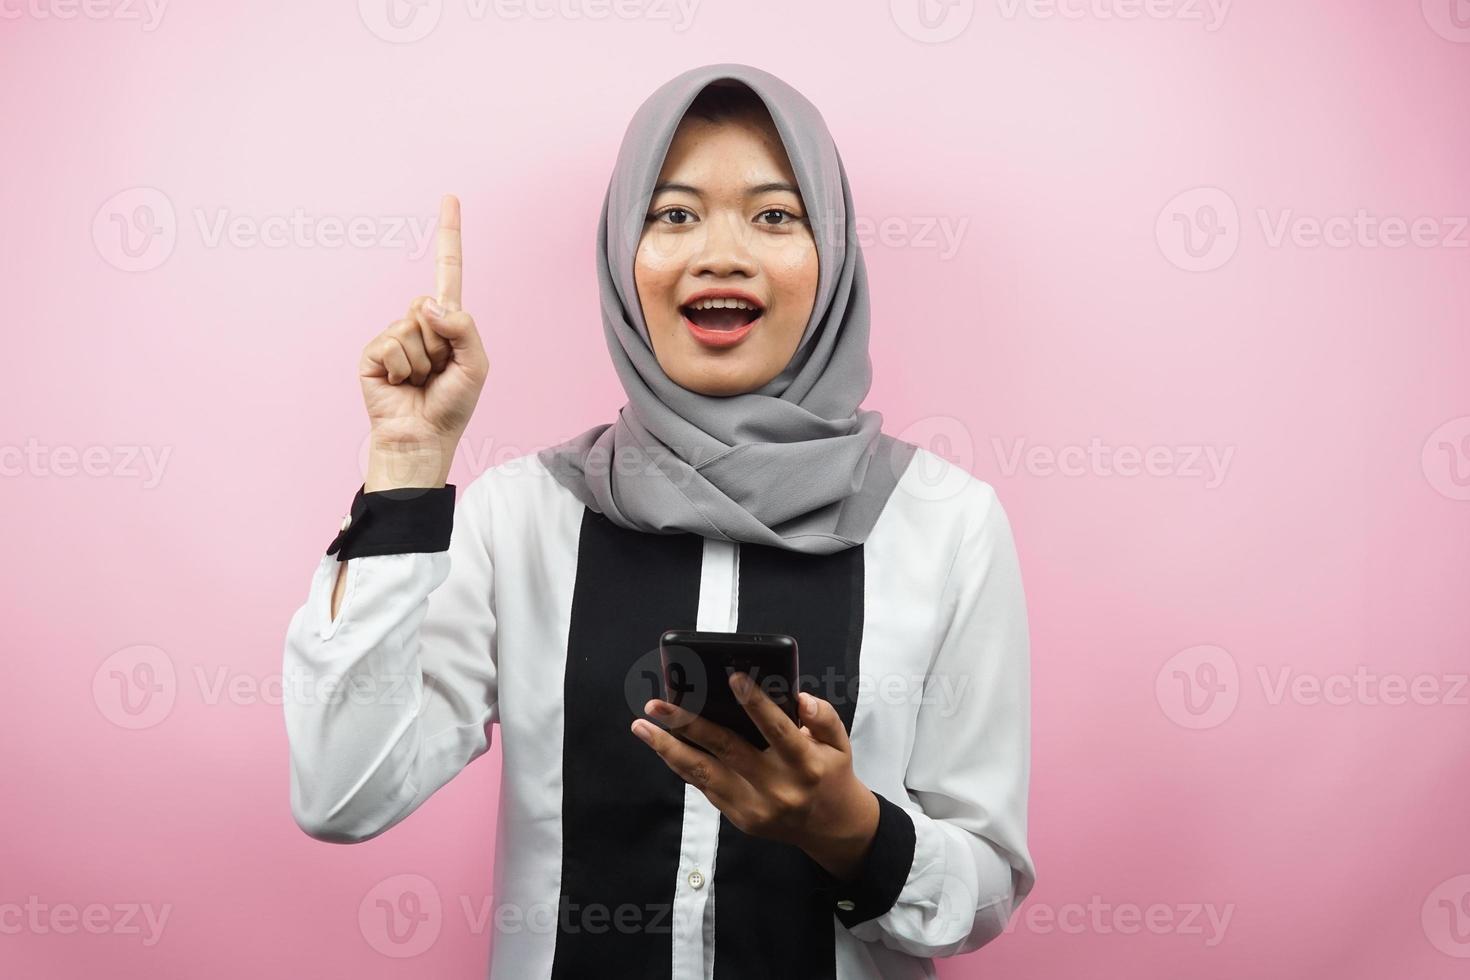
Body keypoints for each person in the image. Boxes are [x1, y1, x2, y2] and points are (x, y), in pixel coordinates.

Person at [283, 62, 1035, 980]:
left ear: (832, 257)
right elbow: (341, 793)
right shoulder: (523, 516)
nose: (720, 253)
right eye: (674, 214)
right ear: (621, 257)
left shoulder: (946, 524)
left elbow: (986, 883)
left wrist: (852, 831)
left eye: (775, 215)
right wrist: (405, 470)